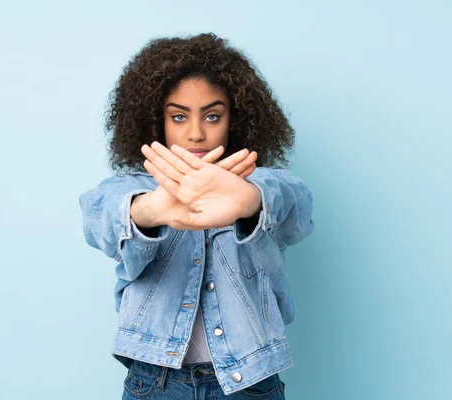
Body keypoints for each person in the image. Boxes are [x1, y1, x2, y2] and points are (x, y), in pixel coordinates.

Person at [79, 33, 314, 399]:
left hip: (249, 384)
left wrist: (251, 200)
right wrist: (150, 209)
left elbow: (297, 206)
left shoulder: (259, 181)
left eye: (212, 116)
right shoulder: (129, 188)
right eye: (178, 116)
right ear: (156, 121)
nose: (195, 133)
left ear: (234, 121)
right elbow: (99, 218)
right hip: (155, 384)